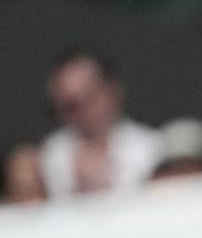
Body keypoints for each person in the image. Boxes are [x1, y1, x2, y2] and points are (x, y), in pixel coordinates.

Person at [40, 48, 162, 199]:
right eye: (69, 105)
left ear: (111, 91)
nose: (81, 113)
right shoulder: (50, 155)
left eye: (89, 99)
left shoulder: (151, 150)